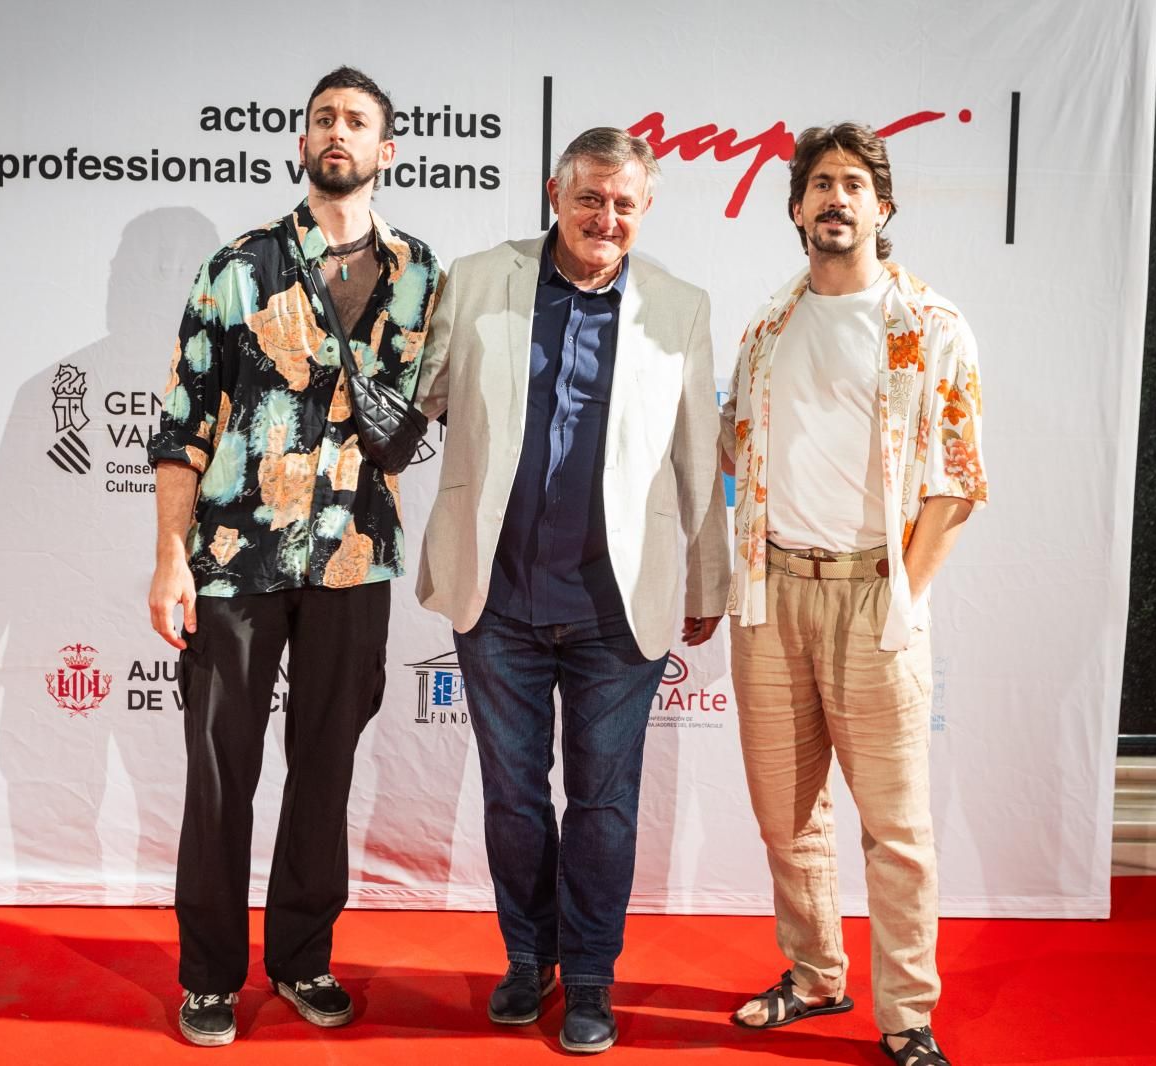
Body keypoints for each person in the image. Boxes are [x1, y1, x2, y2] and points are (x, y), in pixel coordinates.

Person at [415, 126, 729, 1055]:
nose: (606, 218)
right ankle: (528, 959)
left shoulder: (679, 304)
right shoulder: (477, 279)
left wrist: (709, 578)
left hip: (616, 609)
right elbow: (420, 395)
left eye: (625, 203)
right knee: (514, 801)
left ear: (646, 209)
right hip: (498, 600)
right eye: (590, 198)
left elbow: (697, 459)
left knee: (604, 804)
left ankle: (591, 980)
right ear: (556, 194)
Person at [145, 66, 441, 1048]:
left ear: (386, 149)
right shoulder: (237, 265)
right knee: (220, 769)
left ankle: (304, 957)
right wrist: (168, 558)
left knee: (324, 768)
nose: (337, 132)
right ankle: (208, 976)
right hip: (234, 553)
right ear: (302, 140)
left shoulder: (419, 275)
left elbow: (420, 418)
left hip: (354, 554)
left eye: (357, 121)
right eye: (323, 118)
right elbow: (184, 424)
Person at [721, 122, 987, 1066]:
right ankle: (814, 974)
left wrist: (905, 600)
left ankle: (908, 1014)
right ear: (796, 209)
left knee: (898, 828)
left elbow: (957, 483)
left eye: (855, 183)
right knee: (785, 817)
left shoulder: (932, 327)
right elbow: (731, 457)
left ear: (884, 205)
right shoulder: (765, 326)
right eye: (820, 184)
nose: (837, 197)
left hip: (878, 592)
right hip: (771, 595)